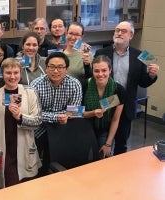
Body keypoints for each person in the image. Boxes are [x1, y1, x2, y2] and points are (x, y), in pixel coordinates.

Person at [95, 21, 159, 155]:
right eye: (117, 30)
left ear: (131, 35)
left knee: (121, 145)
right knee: (101, 144)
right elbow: (95, 76)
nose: (119, 33)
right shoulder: (101, 52)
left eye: (123, 31)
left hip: (126, 105)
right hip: (105, 103)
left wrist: (152, 76)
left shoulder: (141, 55)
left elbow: (143, 82)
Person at [0, 58, 42, 188]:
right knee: (9, 189)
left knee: (28, 189)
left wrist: (19, 116)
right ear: (2, 74)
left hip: (25, 151)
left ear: (20, 73)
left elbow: (38, 121)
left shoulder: (30, 93)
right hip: (4, 153)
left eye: (16, 72)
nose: (12, 76)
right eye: (8, 73)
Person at [30, 52, 82, 176]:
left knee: (58, 163)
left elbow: (74, 112)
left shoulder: (75, 84)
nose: (56, 71)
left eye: (60, 67)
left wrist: (63, 116)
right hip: (39, 129)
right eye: (52, 67)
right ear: (46, 68)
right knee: (36, 165)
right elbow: (34, 114)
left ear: (67, 69)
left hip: (63, 128)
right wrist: (56, 117)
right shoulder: (35, 85)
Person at [83, 55, 126, 158]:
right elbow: (76, 112)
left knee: (102, 157)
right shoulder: (84, 85)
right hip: (84, 127)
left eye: (104, 70)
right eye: (96, 71)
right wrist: (93, 113)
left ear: (110, 70)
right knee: (84, 160)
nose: (100, 74)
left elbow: (115, 119)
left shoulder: (118, 90)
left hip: (104, 129)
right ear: (92, 71)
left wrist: (108, 144)